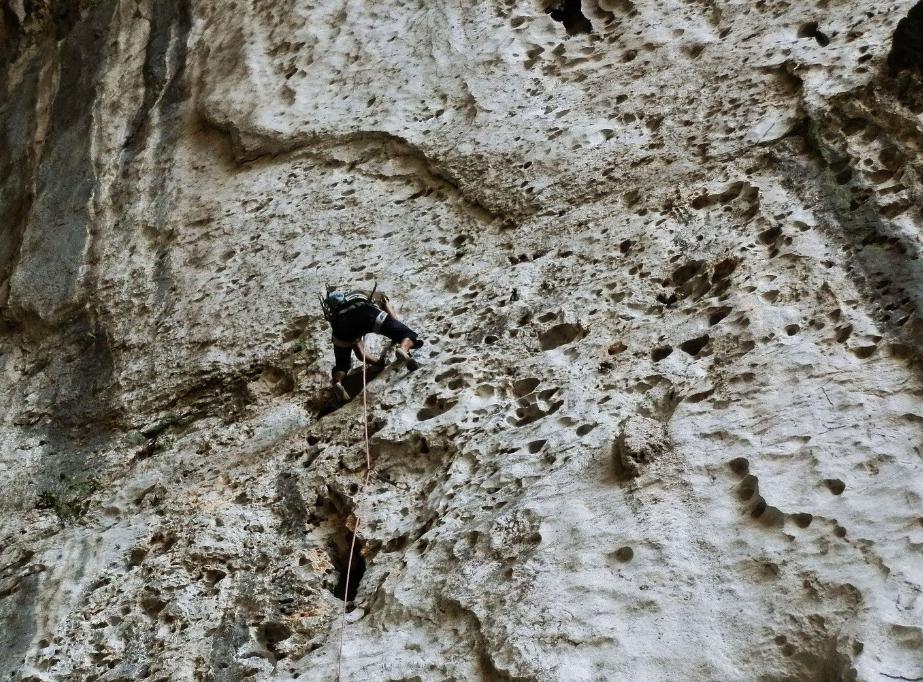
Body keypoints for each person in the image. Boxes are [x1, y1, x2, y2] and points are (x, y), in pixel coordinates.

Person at [320, 286, 423, 401]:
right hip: (365, 313)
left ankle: (338, 382)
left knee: (342, 364)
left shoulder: (336, 312)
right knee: (406, 333)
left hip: (340, 327)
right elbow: (393, 319)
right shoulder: (370, 294)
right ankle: (403, 349)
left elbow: (360, 355)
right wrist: (396, 333)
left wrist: (378, 363)